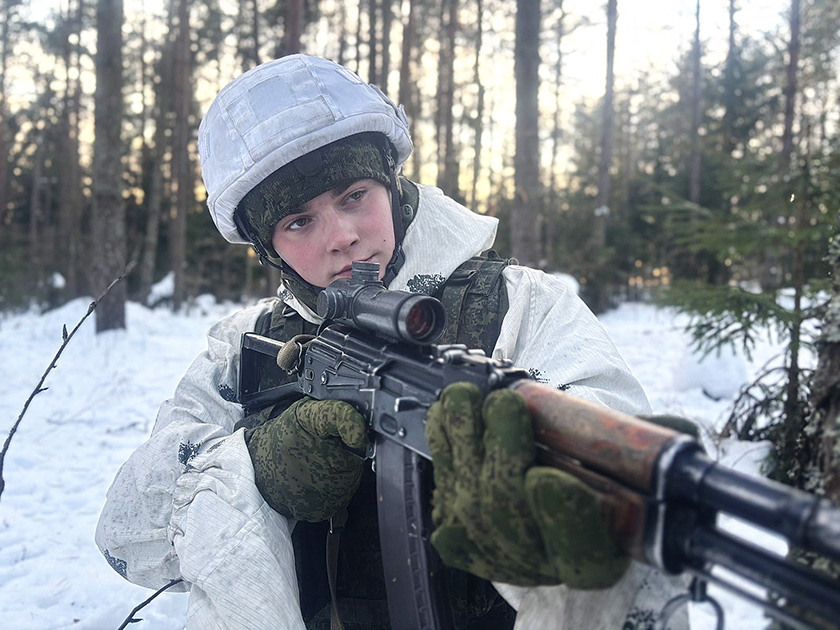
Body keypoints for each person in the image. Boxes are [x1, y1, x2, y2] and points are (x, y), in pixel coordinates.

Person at [96, 54, 688, 630]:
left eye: (354, 195)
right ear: (268, 249)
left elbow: (624, 464)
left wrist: (536, 490)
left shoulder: (519, 304)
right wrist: (260, 468)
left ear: (391, 184)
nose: (343, 237)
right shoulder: (244, 347)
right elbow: (128, 537)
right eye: (299, 221)